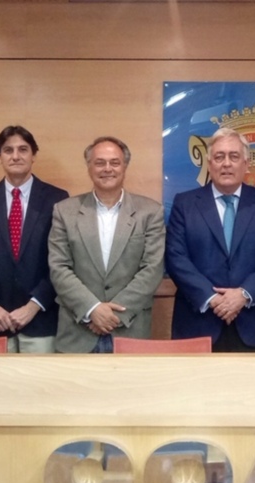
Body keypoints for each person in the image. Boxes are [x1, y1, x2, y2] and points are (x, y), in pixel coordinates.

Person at [165, 128, 255, 352]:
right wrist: (212, 298)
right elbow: (176, 258)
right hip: (199, 321)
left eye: (234, 156)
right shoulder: (185, 204)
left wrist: (243, 294)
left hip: (254, 322)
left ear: (246, 163)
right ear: (209, 163)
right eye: (219, 157)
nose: (226, 164)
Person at [48, 136, 165, 353]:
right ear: (89, 167)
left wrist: (112, 315)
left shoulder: (150, 212)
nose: (107, 169)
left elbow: (152, 268)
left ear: (125, 166)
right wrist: (92, 309)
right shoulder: (64, 211)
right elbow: (59, 267)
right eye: (100, 163)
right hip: (78, 332)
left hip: (131, 331)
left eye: (115, 162)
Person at [0, 125, 69, 353]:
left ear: (34, 155)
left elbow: (62, 261)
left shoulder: (57, 199)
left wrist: (33, 306)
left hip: (41, 320)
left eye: (23, 149)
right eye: (8, 150)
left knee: (39, 378)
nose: (15, 156)